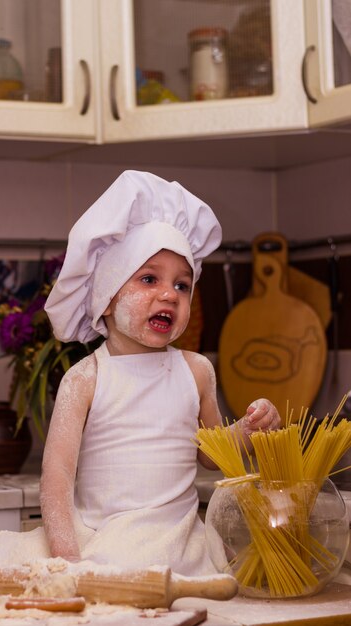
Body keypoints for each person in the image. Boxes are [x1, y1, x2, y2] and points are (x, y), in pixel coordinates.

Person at [39, 170, 281, 577]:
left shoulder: (196, 370)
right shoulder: (85, 379)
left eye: (183, 285)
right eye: (149, 279)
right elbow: (56, 479)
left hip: (183, 549)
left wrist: (250, 431)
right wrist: (68, 563)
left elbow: (211, 454)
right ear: (107, 300)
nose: (170, 293)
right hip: (106, 546)